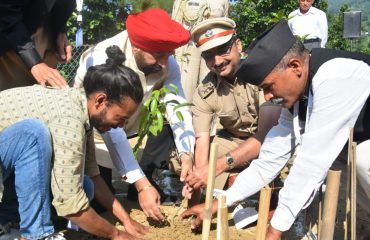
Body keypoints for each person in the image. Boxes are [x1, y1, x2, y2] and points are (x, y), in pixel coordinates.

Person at [181, 19, 370, 239]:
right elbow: (270, 158)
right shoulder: (296, 98)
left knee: (362, 160)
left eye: (269, 87)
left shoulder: (334, 76)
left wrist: (275, 229)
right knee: (343, 162)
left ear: (295, 67)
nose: (269, 97)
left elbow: (311, 162)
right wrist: (218, 204)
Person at [0, 46, 149, 240]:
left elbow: (93, 175)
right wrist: (116, 235)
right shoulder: (69, 118)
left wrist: (126, 220)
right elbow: (70, 205)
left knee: (85, 184)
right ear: (100, 101)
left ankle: (10, 220)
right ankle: (37, 234)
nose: (120, 126)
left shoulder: (81, 110)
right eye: (120, 118)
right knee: (33, 134)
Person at [74, 8, 195, 217]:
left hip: (130, 128)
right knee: (100, 204)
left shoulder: (166, 63)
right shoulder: (102, 58)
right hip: (96, 133)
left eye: (169, 55)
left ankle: (146, 183)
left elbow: (177, 106)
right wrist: (142, 185)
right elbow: (111, 129)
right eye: (158, 55)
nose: (165, 63)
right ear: (136, 46)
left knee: (165, 124)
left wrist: (187, 154)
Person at [183, 18, 281, 200]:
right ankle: (234, 178)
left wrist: (220, 166)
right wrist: (199, 181)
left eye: (223, 50)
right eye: (208, 56)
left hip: (269, 140)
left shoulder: (261, 73)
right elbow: (202, 140)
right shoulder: (205, 92)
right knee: (182, 161)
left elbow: (265, 136)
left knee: (274, 154)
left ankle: (252, 181)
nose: (217, 61)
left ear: (238, 44)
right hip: (235, 142)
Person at [0, 0, 74, 90]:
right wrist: (34, 62)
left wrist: (61, 31)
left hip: (46, 54)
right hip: (14, 51)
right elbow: (6, 13)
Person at [172, 0, 229, 102]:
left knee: (210, 88)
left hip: (213, 49)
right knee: (185, 89)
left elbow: (225, 27)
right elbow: (175, 26)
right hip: (189, 48)